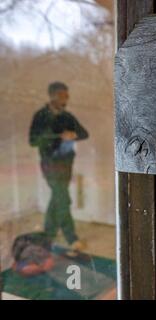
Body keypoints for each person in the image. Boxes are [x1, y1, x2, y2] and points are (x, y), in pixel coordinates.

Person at [29, 82, 88, 252]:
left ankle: (48, 233)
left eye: (67, 95)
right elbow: (33, 141)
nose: (66, 99)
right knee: (63, 198)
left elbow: (84, 133)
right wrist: (58, 136)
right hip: (50, 164)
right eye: (63, 95)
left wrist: (73, 134)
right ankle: (71, 238)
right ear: (52, 95)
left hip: (66, 164)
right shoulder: (40, 116)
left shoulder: (67, 117)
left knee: (58, 197)